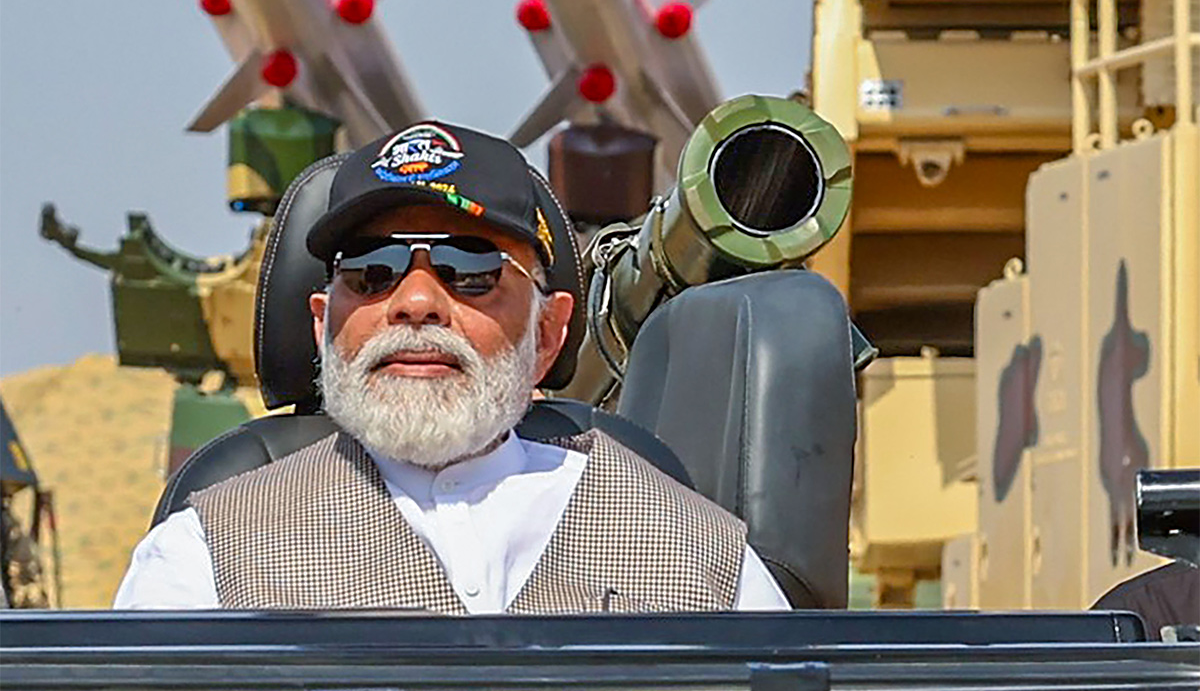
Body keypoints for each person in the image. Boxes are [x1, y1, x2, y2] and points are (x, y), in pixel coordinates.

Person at [115, 121, 789, 613]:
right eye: (372, 272)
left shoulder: (705, 562)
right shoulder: (204, 561)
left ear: (548, 332)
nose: (413, 302)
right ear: (322, 324)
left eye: (469, 272)